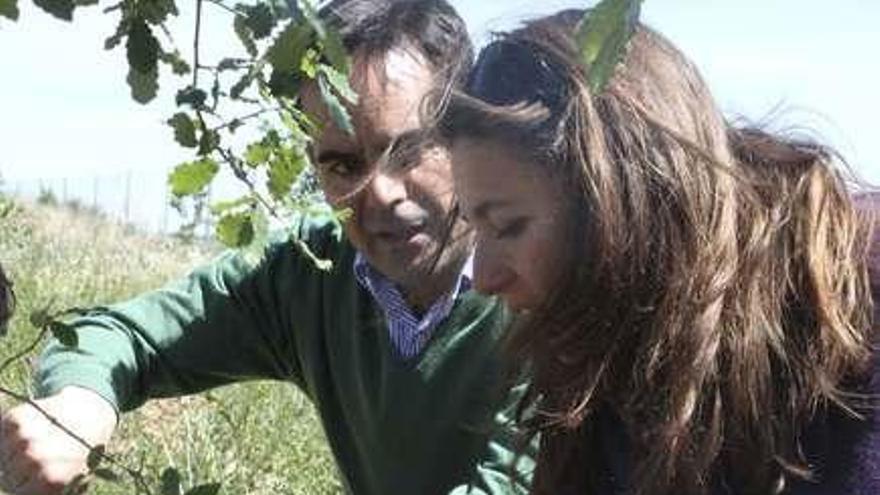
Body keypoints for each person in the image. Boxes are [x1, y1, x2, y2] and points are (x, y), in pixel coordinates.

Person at [0, 1, 533, 494]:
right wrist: (79, 405)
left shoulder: (543, 284)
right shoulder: (306, 276)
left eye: (410, 148)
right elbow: (120, 335)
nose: (383, 193)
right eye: (342, 164)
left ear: (469, 131)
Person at [439, 9, 880, 495]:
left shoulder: (851, 299)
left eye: (508, 226)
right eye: (474, 230)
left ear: (629, 200)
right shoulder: (598, 374)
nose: (482, 277)